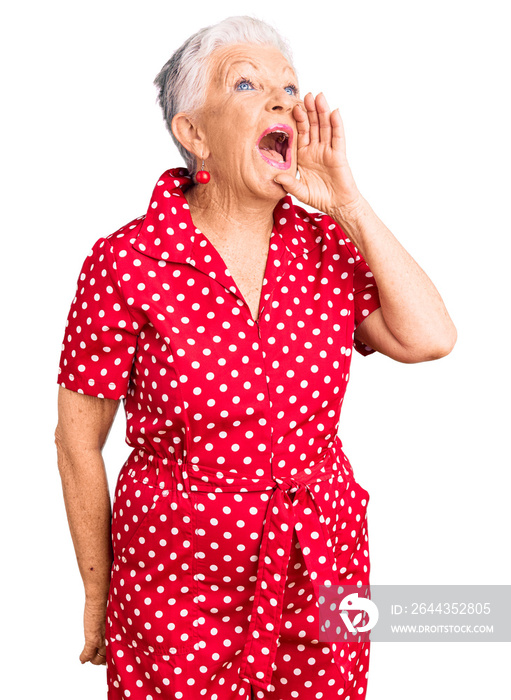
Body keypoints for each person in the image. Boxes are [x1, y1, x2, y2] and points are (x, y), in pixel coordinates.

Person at [54, 15, 457, 700]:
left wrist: (349, 205)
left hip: (317, 561)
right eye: (247, 83)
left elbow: (428, 338)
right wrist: (96, 596)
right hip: (174, 584)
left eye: (288, 87)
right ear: (193, 132)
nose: (281, 100)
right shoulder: (126, 262)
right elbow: (76, 441)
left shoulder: (326, 246)